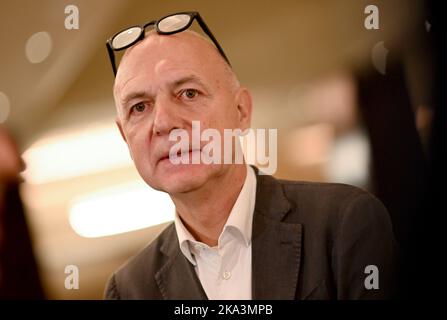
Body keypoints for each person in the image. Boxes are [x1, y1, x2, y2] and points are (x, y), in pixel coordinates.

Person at [104, 12, 396, 300]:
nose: (164, 122)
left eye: (189, 93)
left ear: (241, 111)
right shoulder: (128, 290)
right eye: (139, 107)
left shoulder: (344, 222)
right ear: (125, 138)